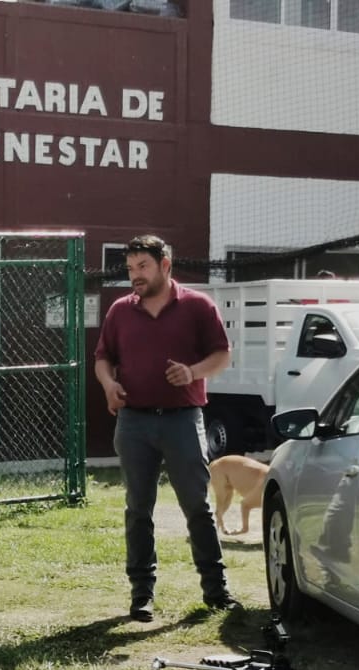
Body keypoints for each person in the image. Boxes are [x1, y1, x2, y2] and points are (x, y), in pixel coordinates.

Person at [94, 235, 240, 622]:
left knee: (197, 506)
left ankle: (216, 590)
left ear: (165, 265)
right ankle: (141, 594)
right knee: (138, 509)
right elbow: (103, 359)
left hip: (182, 419)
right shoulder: (120, 311)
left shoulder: (197, 306)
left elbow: (223, 355)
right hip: (134, 422)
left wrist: (192, 372)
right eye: (130, 269)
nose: (135, 276)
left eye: (142, 266)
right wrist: (109, 385)